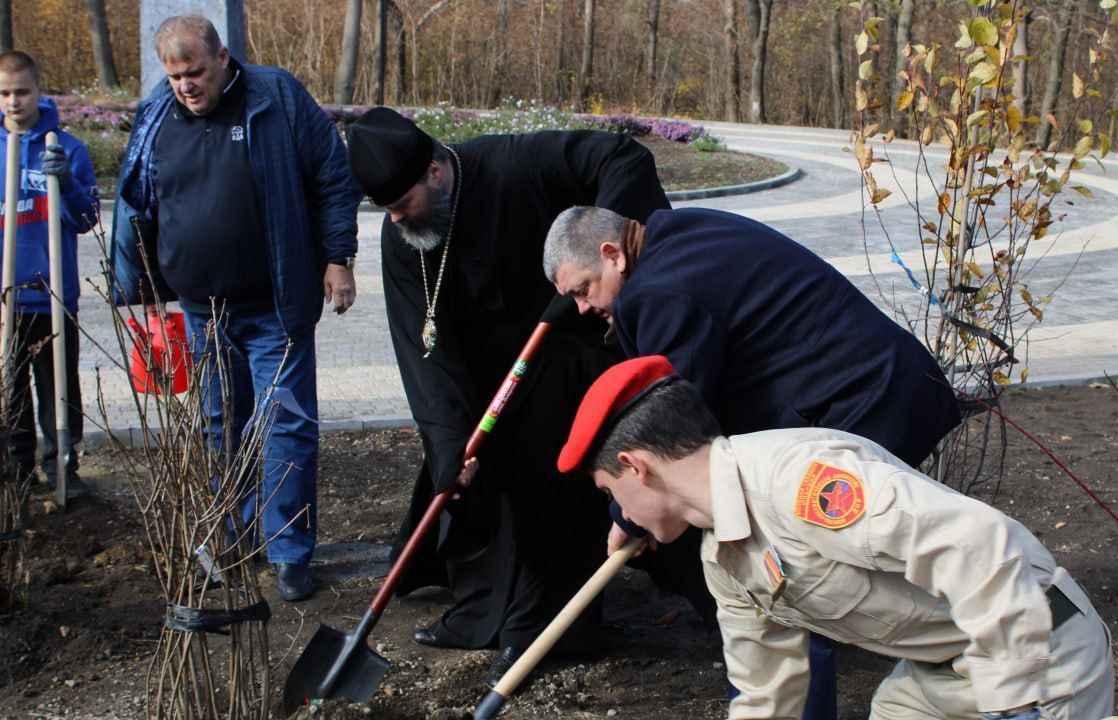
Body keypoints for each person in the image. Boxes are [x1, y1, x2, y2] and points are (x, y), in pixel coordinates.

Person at [558, 356, 1114, 720]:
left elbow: (980, 546)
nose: (620, 511)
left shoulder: (797, 481)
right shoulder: (724, 559)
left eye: (610, 492)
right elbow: (764, 702)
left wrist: (1010, 712)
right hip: (932, 674)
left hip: (1036, 658)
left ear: (636, 466)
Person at [543, 204, 961, 720]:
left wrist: (626, 514)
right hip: (857, 388)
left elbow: (672, 430)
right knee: (758, 558)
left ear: (611, 254)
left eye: (583, 289)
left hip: (867, 396)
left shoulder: (659, 291)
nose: (582, 307)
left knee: (788, 573)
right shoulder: (675, 235)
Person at [343, 107, 671, 686]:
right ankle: (481, 614)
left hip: (570, 348)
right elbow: (423, 350)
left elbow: (624, 158)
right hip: (489, 374)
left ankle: (543, 630)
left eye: (401, 203)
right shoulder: (404, 239)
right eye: (384, 209)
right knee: (465, 473)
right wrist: (448, 439)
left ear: (435, 173)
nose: (395, 219)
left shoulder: (513, 163)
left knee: (552, 471)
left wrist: (591, 262)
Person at [111, 14, 363, 601]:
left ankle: (289, 551)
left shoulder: (276, 98)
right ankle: (233, 535)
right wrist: (141, 293)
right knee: (219, 424)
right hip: (201, 312)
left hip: (276, 306)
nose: (186, 86)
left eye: (195, 72)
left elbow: (332, 175)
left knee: (286, 423)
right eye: (174, 76)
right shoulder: (155, 118)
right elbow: (135, 203)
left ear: (223, 58)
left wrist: (338, 257)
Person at [0, 51, 97, 498]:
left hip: (53, 292)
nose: (13, 101)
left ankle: (63, 467)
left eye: (21, 91)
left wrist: (68, 183)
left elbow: (88, 218)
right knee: (10, 389)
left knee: (58, 386)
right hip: (5, 295)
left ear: (39, 90)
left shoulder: (67, 148)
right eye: (4, 93)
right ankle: (16, 471)